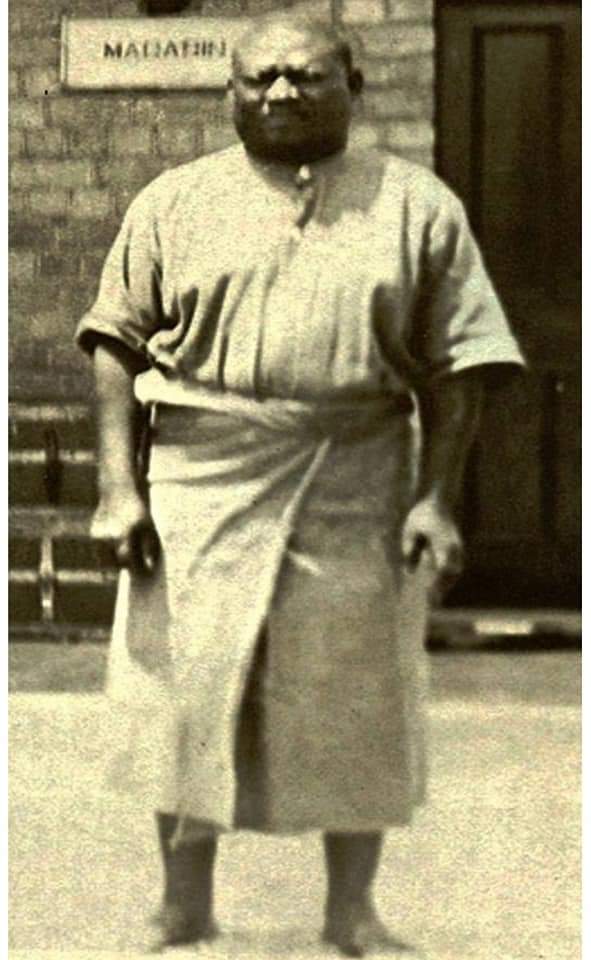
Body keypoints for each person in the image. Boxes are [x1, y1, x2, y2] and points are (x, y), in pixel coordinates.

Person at [76, 13, 524, 957]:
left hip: (356, 474)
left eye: (308, 76)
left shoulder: (417, 206)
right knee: (188, 695)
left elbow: (462, 362)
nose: (281, 92)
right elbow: (114, 343)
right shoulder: (172, 201)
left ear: (353, 86)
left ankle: (350, 912)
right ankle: (182, 907)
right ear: (229, 92)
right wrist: (119, 489)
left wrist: (436, 498)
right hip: (198, 479)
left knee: (358, 697)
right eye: (261, 77)